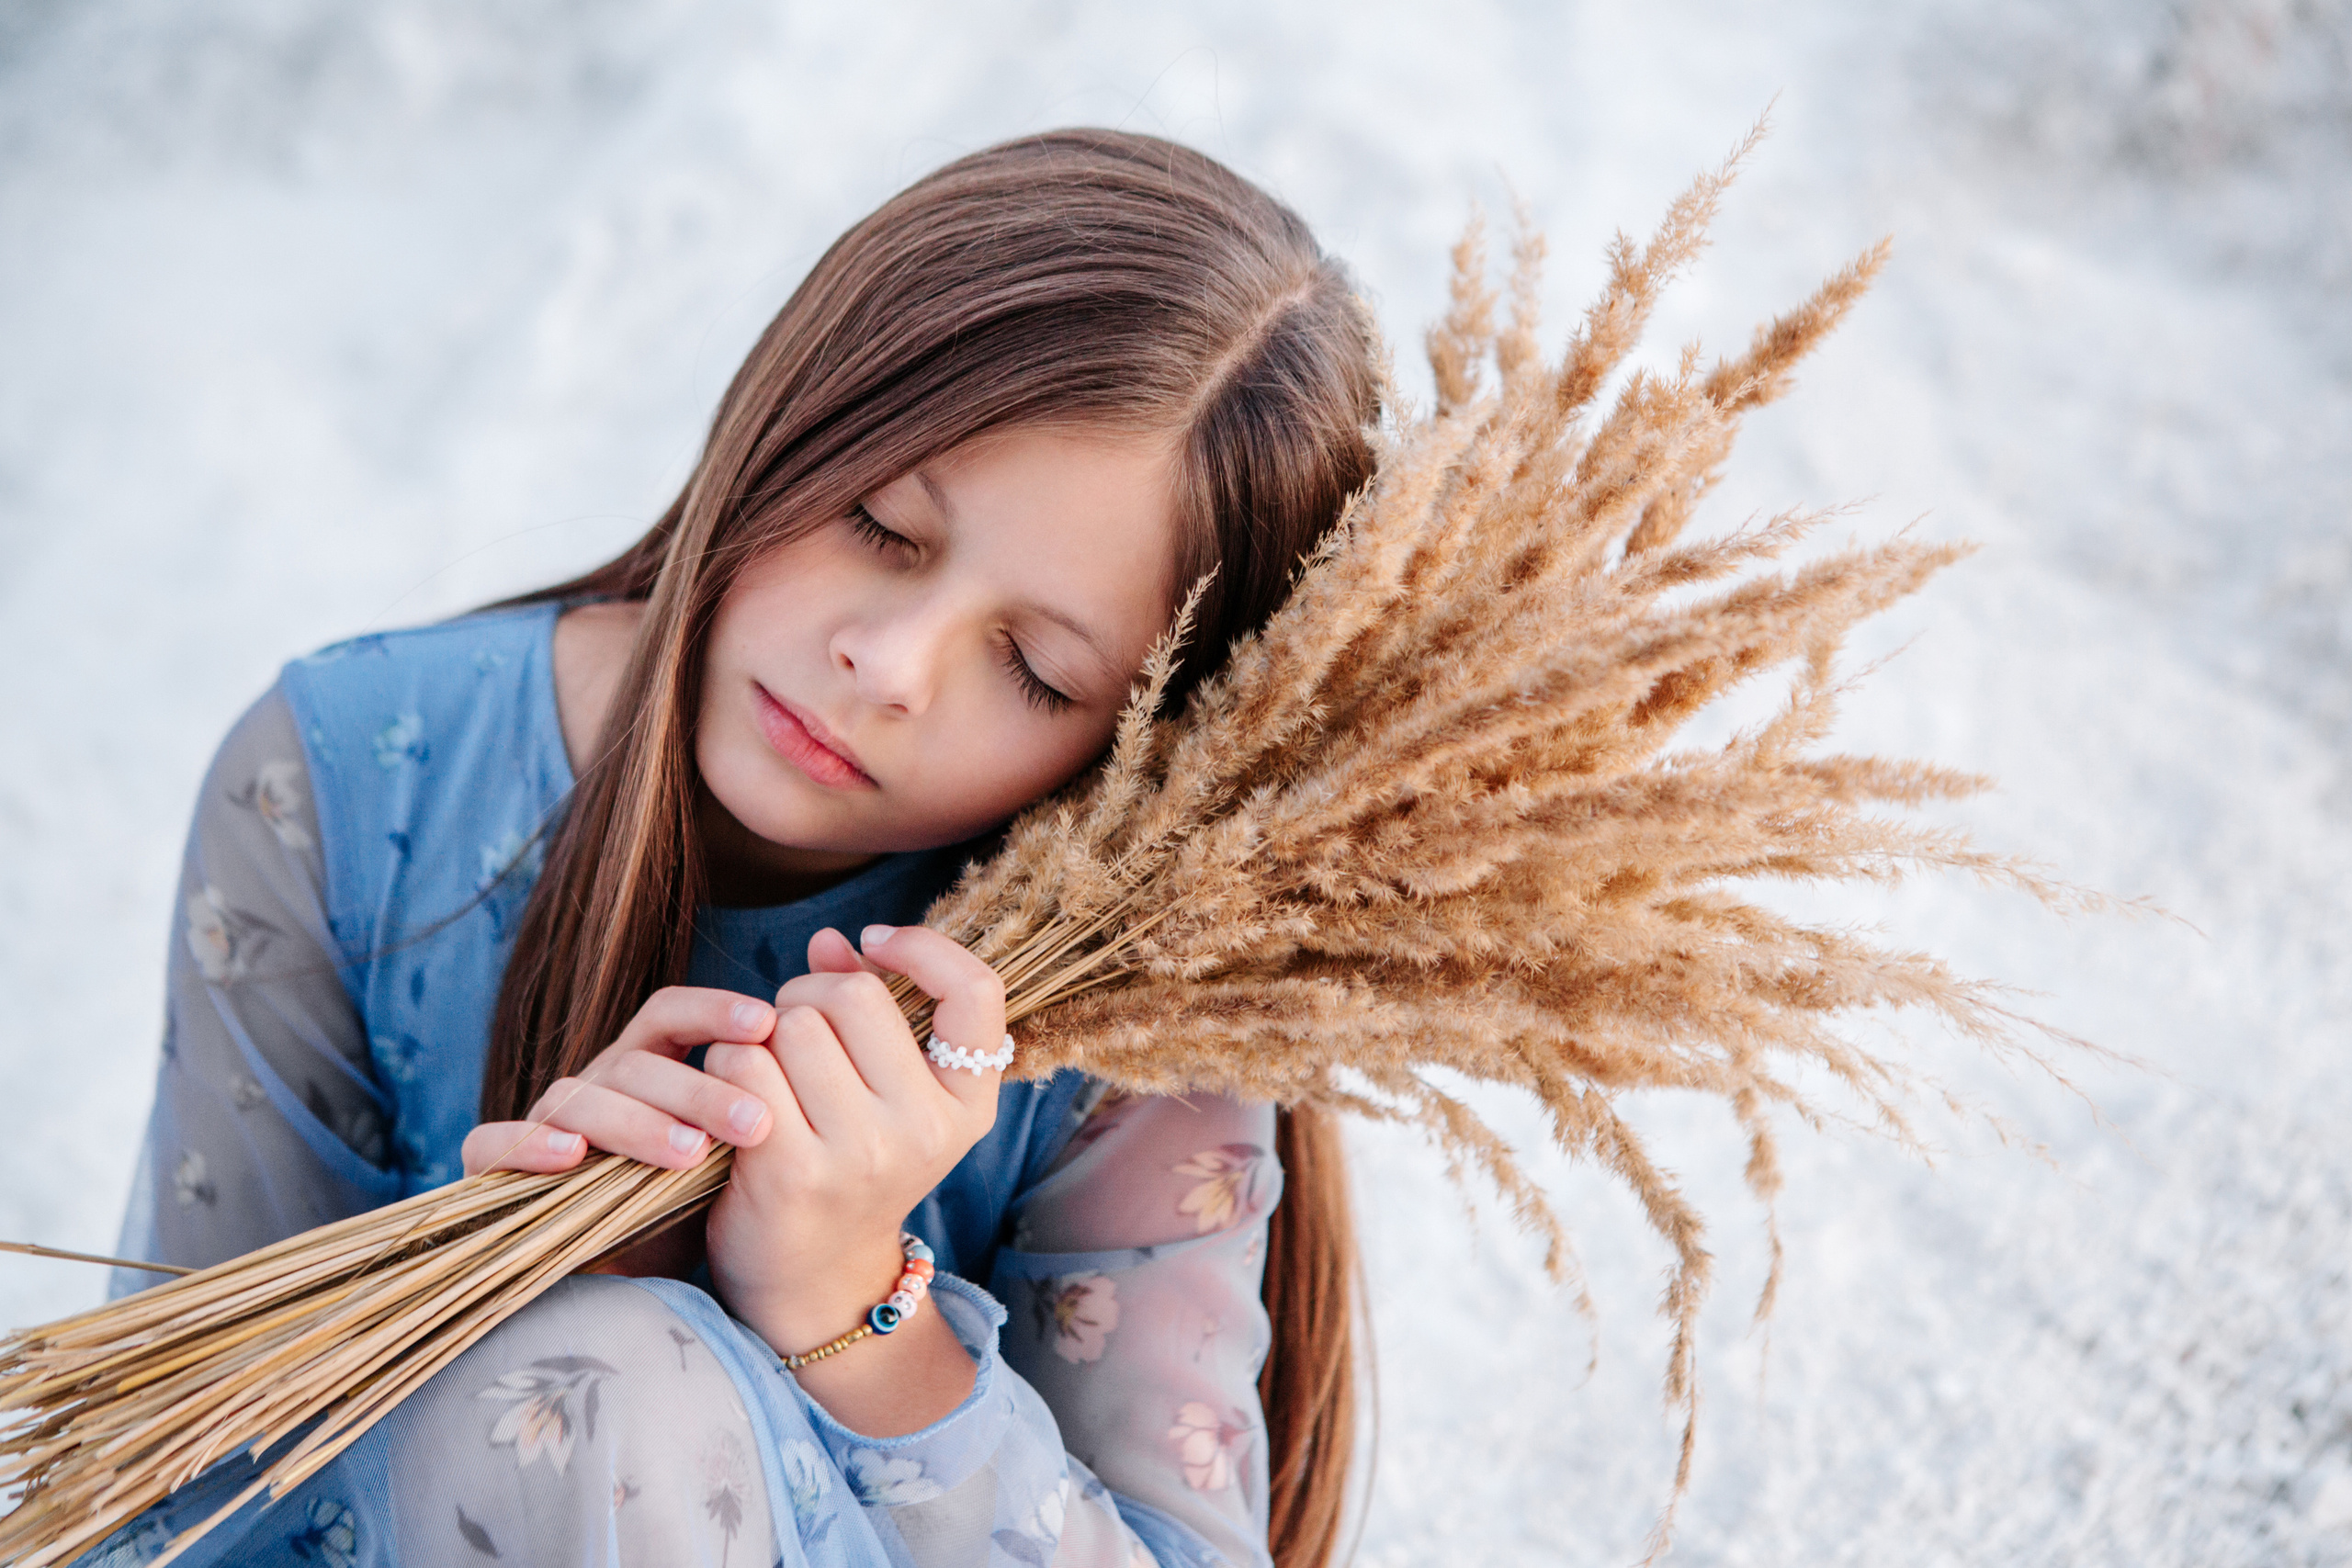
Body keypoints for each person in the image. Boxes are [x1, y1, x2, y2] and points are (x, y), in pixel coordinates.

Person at [97, 130, 1375, 1568]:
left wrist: (848, 1309)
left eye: (1033, 669)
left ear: (1145, 745)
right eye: (882, 525)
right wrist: (501, 1303)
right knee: (602, 1378)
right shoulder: (341, 781)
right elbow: (162, 1487)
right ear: (789, 409)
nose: (885, 665)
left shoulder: (1134, 1002)